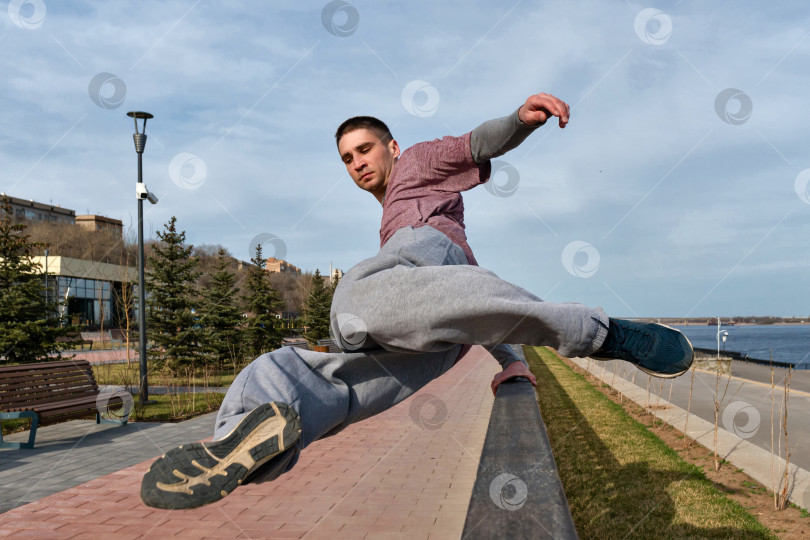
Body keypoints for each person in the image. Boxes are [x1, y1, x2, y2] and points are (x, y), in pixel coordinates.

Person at [140, 92, 693, 510]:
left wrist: (520, 121)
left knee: (352, 299)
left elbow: (474, 144)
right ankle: (245, 432)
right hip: (435, 329)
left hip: (426, 255)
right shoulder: (405, 232)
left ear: (392, 148)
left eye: (364, 150)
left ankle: (598, 332)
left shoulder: (416, 166)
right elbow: (478, 306)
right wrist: (513, 365)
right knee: (331, 378)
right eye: (346, 159)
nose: (357, 164)